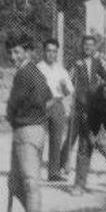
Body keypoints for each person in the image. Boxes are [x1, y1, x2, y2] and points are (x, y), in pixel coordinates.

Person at [5, 33, 53, 212]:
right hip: (28, 130)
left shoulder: (26, 73)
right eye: (11, 52)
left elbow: (14, 105)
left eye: (17, 51)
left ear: (27, 52)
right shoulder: (33, 72)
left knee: (30, 183)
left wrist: (31, 117)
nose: (13, 56)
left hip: (27, 131)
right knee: (14, 183)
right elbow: (49, 99)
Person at [60, 35, 106, 175]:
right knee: (72, 133)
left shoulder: (97, 62)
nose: (88, 47)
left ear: (94, 47)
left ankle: (85, 163)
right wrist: (73, 71)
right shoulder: (76, 61)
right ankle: (64, 161)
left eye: (91, 45)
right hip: (78, 103)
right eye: (86, 45)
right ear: (82, 46)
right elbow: (67, 79)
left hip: (92, 104)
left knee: (89, 134)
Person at [37, 38, 74, 181]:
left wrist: (64, 87)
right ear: (43, 52)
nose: (51, 54)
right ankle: (35, 172)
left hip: (58, 105)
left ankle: (53, 173)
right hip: (42, 104)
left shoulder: (61, 70)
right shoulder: (38, 68)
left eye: (54, 51)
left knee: (56, 139)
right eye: (48, 51)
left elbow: (68, 91)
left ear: (57, 53)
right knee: (39, 139)